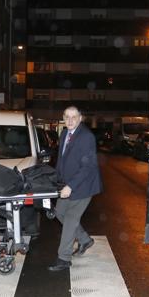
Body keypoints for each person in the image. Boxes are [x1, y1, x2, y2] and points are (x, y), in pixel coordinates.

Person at [48, 106, 102, 271]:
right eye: (67, 117)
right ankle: (85, 240)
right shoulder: (64, 133)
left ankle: (64, 258)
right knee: (59, 213)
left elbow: (88, 167)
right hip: (67, 183)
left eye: (74, 117)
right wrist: (56, 180)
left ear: (80, 118)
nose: (70, 120)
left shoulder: (86, 137)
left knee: (71, 218)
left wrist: (71, 186)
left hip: (83, 185)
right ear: (63, 118)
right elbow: (62, 160)